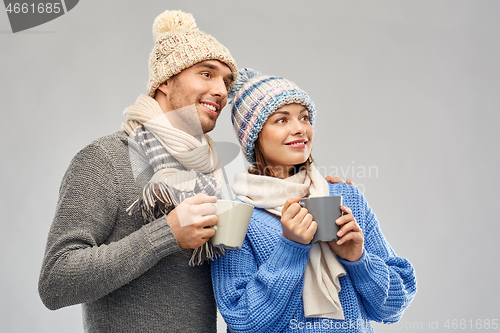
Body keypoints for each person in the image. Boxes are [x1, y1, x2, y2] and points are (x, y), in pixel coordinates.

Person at [38, 10, 238, 333]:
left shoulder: (213, 172)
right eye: (207, 74)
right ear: (165, 80)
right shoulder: (105, 158)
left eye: (226, 82)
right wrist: (167, 233)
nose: (221, 91)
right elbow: (55, 281)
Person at [211, 68, 417, 332]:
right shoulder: (231, 216)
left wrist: (358, 260)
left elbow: (393, 306)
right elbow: (242, 321)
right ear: (254, 137)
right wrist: (291, 248)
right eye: (281, 120)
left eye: (304, 117)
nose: (300, 129)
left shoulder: (346, 197)